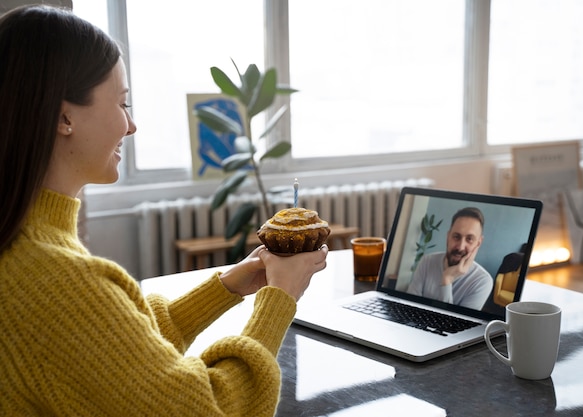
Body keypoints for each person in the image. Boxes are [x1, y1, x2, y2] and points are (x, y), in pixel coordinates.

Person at [0, 5, 327, 416]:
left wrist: (223, 287)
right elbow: (213, 409)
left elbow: (112, 354)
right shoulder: (59, 279)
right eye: (122, 105)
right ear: (64, 116)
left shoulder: (24, 246)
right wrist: (279, 300)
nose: (130, 127)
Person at [407, 207, 493, 309]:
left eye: (469, 239)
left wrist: (447, 280)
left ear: (478, 243)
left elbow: (457, 324)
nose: (460, 247)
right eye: (456, 237)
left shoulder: (483, 281)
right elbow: (409, 306)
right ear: (448, 236)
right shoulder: (427, 261)